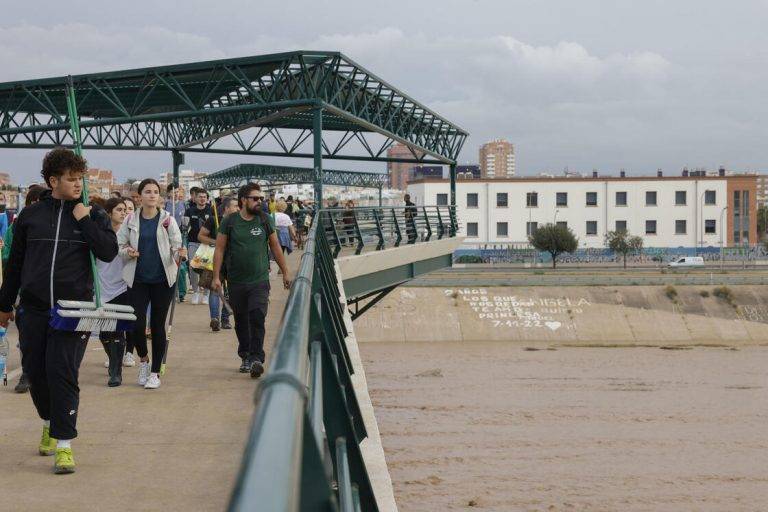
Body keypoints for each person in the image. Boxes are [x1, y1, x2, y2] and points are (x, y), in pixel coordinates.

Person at [0, 147, 118, 474]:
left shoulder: (92, 215)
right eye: (71, 179)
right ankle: (49, 421)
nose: (78, 184)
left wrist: (85, 221)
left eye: (81, 178)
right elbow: (15, 264)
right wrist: (4, 305)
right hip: (34, 309)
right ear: (53, 180)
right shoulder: (30, 217)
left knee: (62, 372)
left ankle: (64, 445)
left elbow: (108, 252)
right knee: (36, 374)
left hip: (73, 310)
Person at [211, 183, 291, 378]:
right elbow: (220, 249)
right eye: (255, 198)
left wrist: (286, 272)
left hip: (260, 280)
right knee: (241, 321)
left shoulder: (264, 219)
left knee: (257, 316)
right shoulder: (230, 221)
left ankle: (256, 358)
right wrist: (216, 277)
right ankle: (245, 355)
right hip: (236, 280)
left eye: (261, 199)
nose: (259, 202)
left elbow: (275, 247)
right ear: (243, 200)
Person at [118, 179, 185, 390]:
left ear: (160, 196)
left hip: (162, 280)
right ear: (140, 196)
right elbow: (119, 245)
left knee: (157, 326)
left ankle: (155, 372)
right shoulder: (130, 220)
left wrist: (179, 253)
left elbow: (176, 244)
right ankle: (144, 361)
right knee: (136, 325)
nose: (152, 195)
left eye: (156, 192)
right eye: (148, 192)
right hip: (137, 279)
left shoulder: (167, 220)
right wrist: (127, 252)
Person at [2, 184, 45, 394]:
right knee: (25, 332)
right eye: (32, 203)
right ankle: (27, 373)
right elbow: (7, 257)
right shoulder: (16, 227)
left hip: (44, 290)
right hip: (23, 288)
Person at [97, 198, 131, 387]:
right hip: (102, 286)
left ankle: (115, 371)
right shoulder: (100, 234)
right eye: (119, 209)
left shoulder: (130, 234)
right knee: (104, 333)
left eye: (125, 210)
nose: (123, 213)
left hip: (123, 286)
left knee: (117, 330)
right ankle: (114, 360)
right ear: (109, 213)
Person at [198, 196, 238, 331]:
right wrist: (216, 242)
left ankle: (225, 319)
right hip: (216, 259)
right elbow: (201, 236)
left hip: (234, 261)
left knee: (232, 291)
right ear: (227, 208)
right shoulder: (213, 220)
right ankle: (215, 319)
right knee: (215, 290)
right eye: (235, 206)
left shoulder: (241, 221)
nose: (238, 208)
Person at [184, 188, 213, 305]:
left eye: (204, 197)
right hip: (193, 243)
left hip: (207, 245)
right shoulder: (190, 211)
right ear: (195, 198)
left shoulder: (211, 210)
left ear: (207, 199)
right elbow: (184, 226)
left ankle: (206, 294)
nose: (202, 199)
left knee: (207, 268)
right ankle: (195, 292)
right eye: (200, 197)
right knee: (193, 268)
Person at [164, 184, 188, 302]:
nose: (176, 194)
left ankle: (182, 292)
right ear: (169, 193)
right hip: (166, 237)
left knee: (181, 266)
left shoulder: (184, 204)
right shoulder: (166, 205)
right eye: (174, 192)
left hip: (181, 236)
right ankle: (170, 291)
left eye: (178, 191)